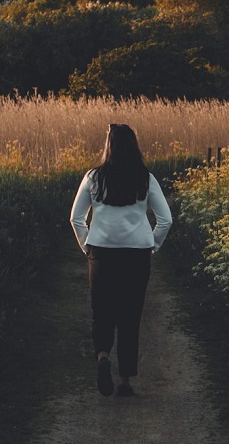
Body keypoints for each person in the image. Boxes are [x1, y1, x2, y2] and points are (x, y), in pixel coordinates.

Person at [69, 124, 172, 397]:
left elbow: (75, 218)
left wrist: (86, 247)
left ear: (109, 146)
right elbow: (166, 220)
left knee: (101, 312)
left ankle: (103, 357)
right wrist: (152, 245)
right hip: (136, 255)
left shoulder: (93, 178)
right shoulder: (145, 179)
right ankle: (125, 381)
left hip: (102, 252)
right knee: (130, 315)